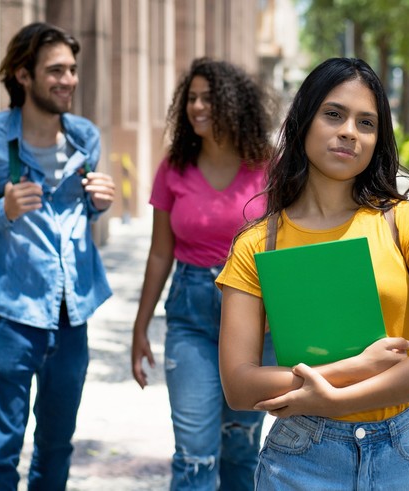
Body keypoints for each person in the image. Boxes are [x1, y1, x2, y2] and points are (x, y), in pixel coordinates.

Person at [215, 57, 409, 489]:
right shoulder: (258, 243)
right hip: (300, 456)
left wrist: (336, 396)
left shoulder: (407, 222)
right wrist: (354, 368)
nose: (349, 131)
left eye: (366, 123)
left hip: (402, 454)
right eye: (333, 114)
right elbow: (240, 386)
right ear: (303, 123)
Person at [0, 22, 116, 490]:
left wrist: (100, 204)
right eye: (55, 70)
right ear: (23, 74)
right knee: (1, 454)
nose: (68, 79)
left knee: (56, 447)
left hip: (72, 316)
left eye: (71, 69)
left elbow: (82, 215)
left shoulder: (85, 138)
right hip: (9, 316)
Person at [130, 57, 276, 490]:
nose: (196, 106)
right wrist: (140, 328)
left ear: (234, 104)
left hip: (257, 318)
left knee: (243, 451)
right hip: (190, 314)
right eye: (191, 98)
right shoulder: (174, 167)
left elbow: (292, 243)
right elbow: (160, 253)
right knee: (194, 456)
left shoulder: (270, 166)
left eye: (208, 98)